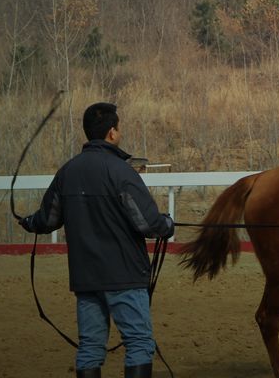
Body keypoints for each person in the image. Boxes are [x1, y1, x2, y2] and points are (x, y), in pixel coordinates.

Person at [19, 102, 174, 378]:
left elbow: (48, 219)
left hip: (86, 277)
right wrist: (168, 225)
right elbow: (148, 223)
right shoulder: (122, 172)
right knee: (138, 344)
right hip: (124, 274)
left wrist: (28, 222)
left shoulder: (68, 172)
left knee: (90, 347)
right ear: (112, 133)